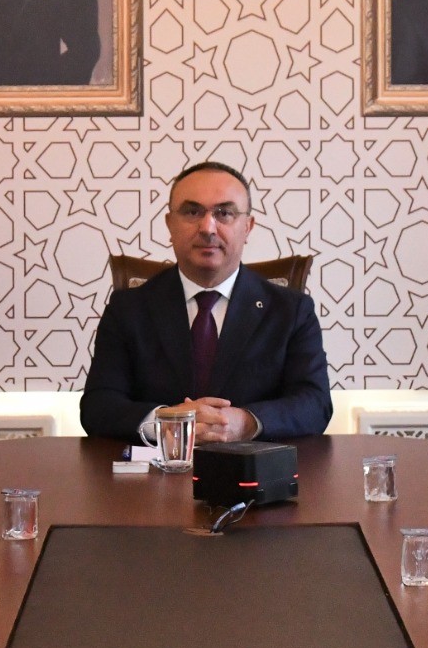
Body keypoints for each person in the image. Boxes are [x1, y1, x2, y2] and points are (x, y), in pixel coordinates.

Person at [80, 162, 333, 442]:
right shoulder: (128, 309)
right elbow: (98, 407)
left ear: (247, 227)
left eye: (224, 213)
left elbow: (315, 403)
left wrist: (246, 423)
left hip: (255, 475)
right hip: (156, 476)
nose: (207, 227)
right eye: (192, 212)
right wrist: (168, 422)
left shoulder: (291, 310)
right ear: (169, 224)